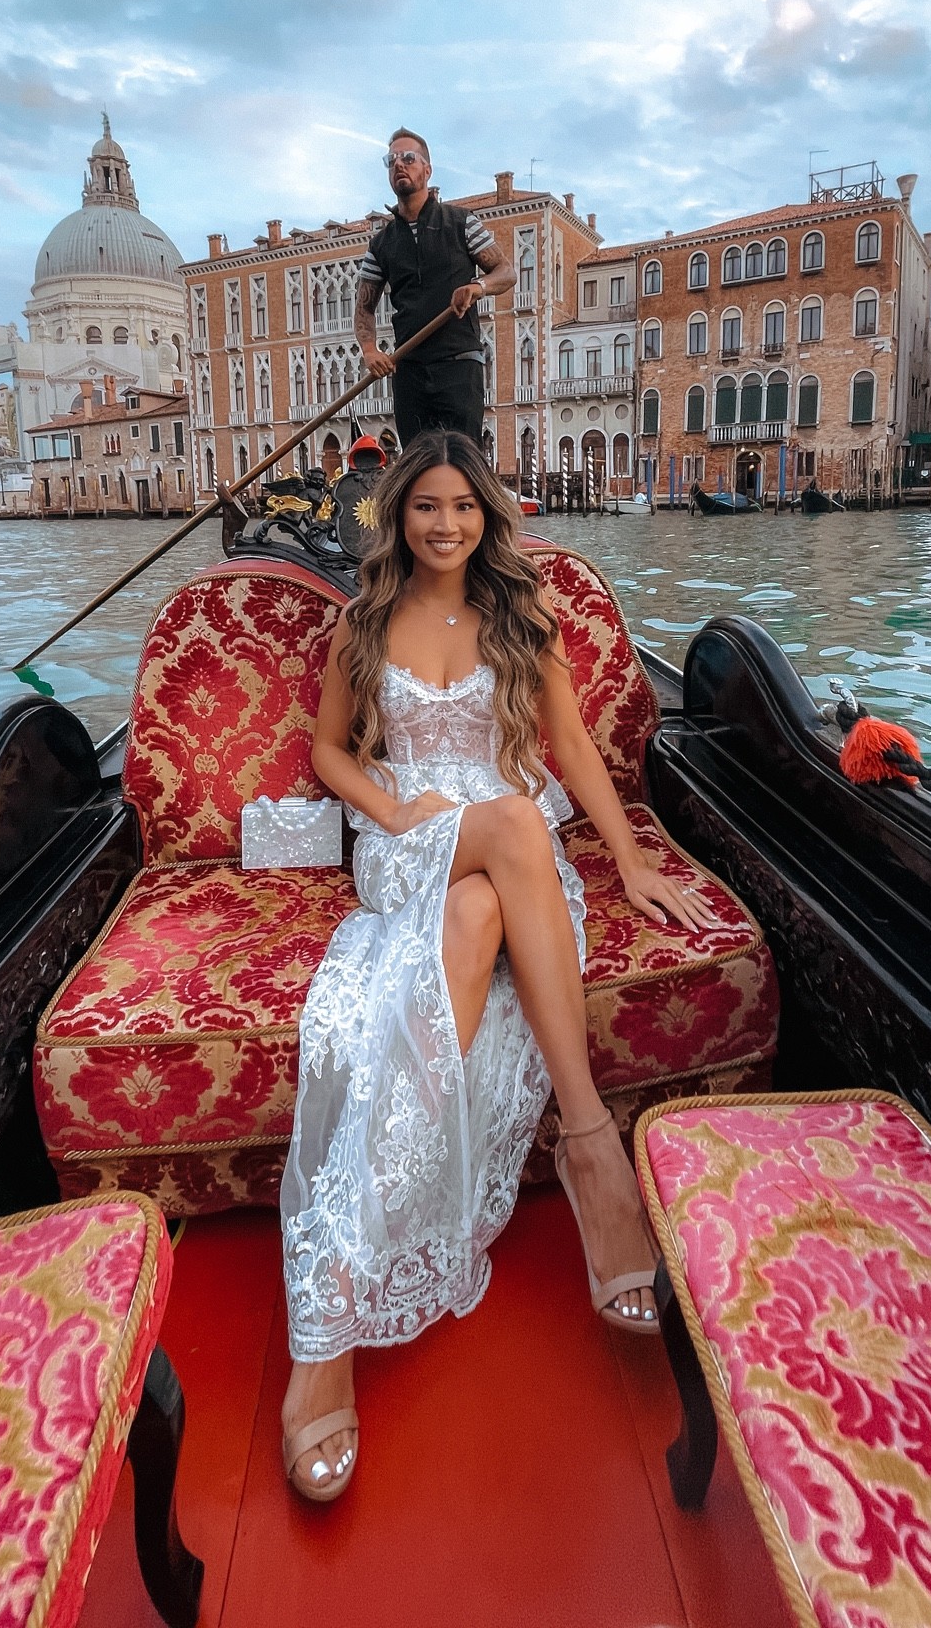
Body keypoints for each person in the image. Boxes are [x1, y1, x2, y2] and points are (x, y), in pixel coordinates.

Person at [278, 430, 717, 1501]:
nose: (446, 524)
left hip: (505, 862)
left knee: (485, 901)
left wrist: (629, 858)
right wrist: (393, 809)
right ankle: (592, 1148)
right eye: (426, 506)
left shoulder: (524, 615)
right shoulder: (363, 621)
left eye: (464, 506)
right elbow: (330, 749)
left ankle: (329, 1316)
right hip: (407, 837)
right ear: (399, 514)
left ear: (488, 515)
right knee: (516, 822)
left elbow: (573, 746)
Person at [353, 130, 515, 445]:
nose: (399, 164)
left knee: (464, 458)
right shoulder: (381, 244)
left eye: (408, 158)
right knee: (416, 461)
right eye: (391, 160)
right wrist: (370, 350)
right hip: (409, 370)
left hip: (459, 364)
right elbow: (364, 308)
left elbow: (506, 272)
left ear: (427, 170)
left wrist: (477, 287)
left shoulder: (461, 223)